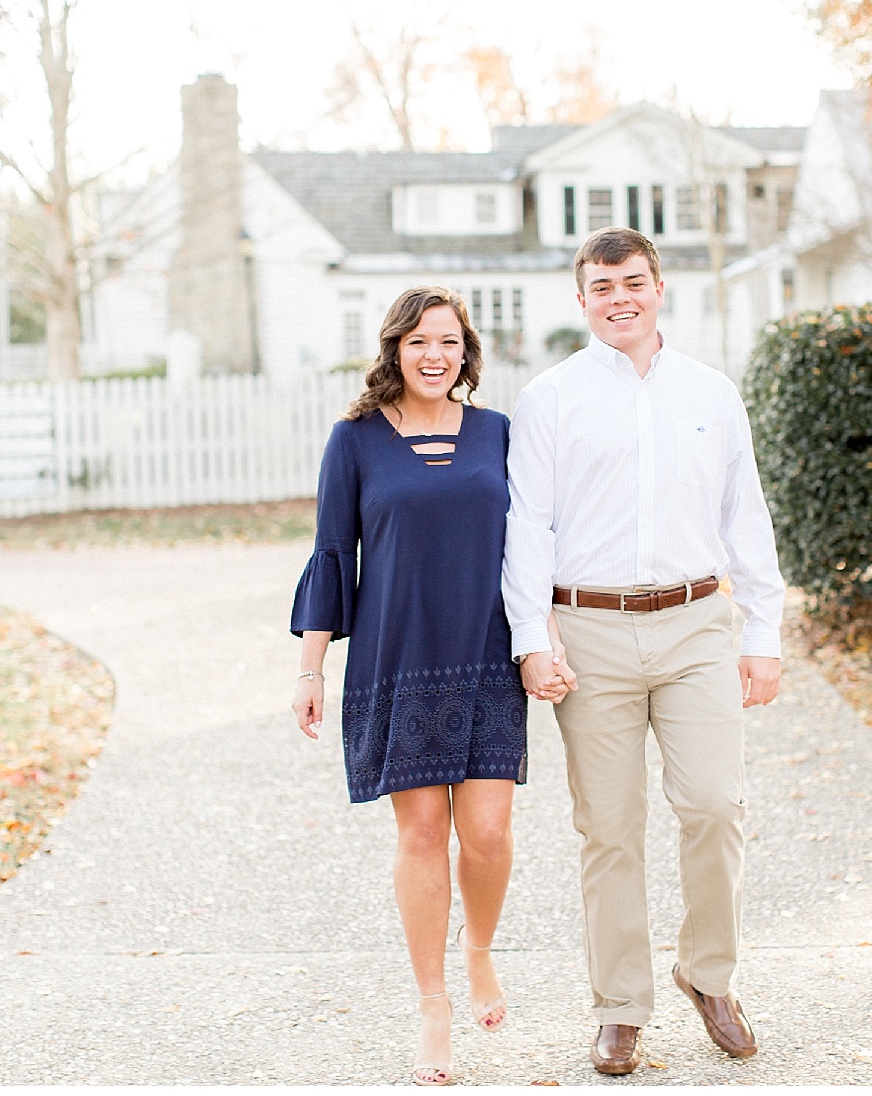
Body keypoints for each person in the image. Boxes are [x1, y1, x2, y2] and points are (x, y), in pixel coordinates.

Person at [503, 227, 785, 1075]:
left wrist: (763, 633)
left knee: (714, 804)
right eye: (601, 286)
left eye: (632, 281)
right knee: (610, 826)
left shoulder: (711, 393)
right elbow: (528, 526)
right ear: (581, 299)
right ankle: (621, 1005)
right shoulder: (550, 398)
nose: (618, 297)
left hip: (696, 623)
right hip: (589, 631)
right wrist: (531, 638)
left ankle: (709, 974)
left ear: (659, 287)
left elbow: (745, 515)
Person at [290, 286, 574, 1086]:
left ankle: (478, 949)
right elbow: (332, 554)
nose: (434, 354)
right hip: (398, 657)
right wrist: (310, 667)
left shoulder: (498, 432)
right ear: (394, 350)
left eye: (447, 341)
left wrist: (544, 637)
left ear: (466, 351)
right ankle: (433, 1005)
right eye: (418, 341)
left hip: (486, 653)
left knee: (486, 830)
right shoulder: (354, 440)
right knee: (420, 834)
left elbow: (529, 545)